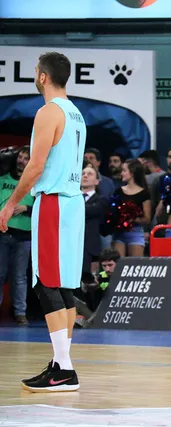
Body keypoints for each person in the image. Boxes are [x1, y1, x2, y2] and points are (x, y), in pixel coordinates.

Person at [0, 52, 86, 391]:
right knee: (62, 285)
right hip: (73, 202)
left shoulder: (48, 112)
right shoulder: (76, 113)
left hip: (54, 202)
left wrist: (11, 203)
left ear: (42, 77)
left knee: (46, 283)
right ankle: (60, 363)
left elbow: (35, 166)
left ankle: (64, 369)